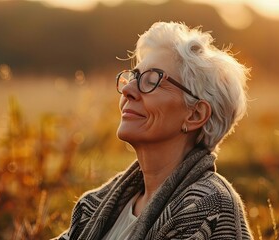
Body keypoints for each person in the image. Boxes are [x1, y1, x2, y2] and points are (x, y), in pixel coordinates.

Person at [55, 21, 253, 240]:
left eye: (152, 80)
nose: (128, 90)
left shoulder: (208, 205)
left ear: (195, 114)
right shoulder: (93, 206)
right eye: (134, 77)